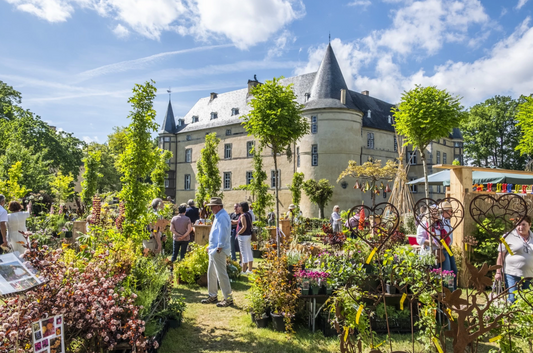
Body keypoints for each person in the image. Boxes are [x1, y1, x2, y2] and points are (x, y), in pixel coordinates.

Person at [201, 197, 233, 307]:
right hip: (214, 249)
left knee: (221, 274)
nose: (211, 208)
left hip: (219, 249)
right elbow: (216, 232)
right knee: (212, 273)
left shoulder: (222, 216)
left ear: (218, 206)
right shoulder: (219, 215)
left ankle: (228, 298)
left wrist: (219, 247)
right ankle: (213, 295)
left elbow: (223, 233)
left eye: (212, 206)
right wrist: (211, 246)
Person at [495, 216, 533, 302]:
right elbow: (501, 255)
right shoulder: (508, 236)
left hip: (529, 275)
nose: (520, 227)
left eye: (523, 224)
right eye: (518, 224)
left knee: (527, 300)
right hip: (512, 273)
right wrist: (498, 272)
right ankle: (511, 315)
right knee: (513, 299)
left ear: (529, 225)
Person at [417, 205, 455, 281]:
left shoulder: (441, 224)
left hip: (442, 252)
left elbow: (448, 238)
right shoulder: (423, 224)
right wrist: (433, 243)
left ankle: (448, 291)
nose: (435, 215)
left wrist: (444, 245)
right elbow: (420, 240)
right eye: (433, 213)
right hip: (428, 253)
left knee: (447, 274)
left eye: (436, 213)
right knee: (432, 275)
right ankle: (434, 291)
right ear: (428, 214)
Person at [441, 201, 458, 289]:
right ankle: (449, 291)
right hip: (444, 248)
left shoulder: (447, 221)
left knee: (454, 270)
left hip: (448, 248)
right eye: (449, 211)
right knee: (448, 272)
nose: (451, 213)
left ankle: (453, 289)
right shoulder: (440, 222)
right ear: (444, 211)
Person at [236, 202, 253, 274]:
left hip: (243, 236)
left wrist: (238, 233)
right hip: (248, 235)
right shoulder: (248, 214)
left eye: (239, 206)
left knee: (243, 253)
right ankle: (250, 269)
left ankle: (243, 270)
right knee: (249, 251)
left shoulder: (243, 215)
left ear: (242, 207)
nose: (238, 208)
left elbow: (244, 226)